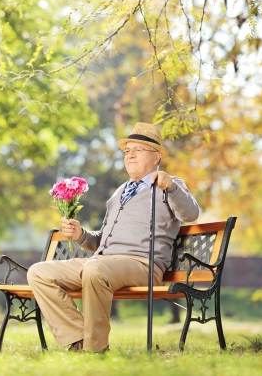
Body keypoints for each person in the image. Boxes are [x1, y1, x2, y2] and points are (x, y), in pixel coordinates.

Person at [27, 122, 199, 353]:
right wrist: (82, 235)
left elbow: (191, 214)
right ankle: (79, 339)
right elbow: (102, 242)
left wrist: (172, 188)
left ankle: (95, 348)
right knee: (38, 272)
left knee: (94, 270)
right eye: (127, 151)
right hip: (102, 262)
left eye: (138, 149)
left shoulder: (170, 184)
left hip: (142, 265)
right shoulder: (120, 191)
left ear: (156, 156)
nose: (130, 155)